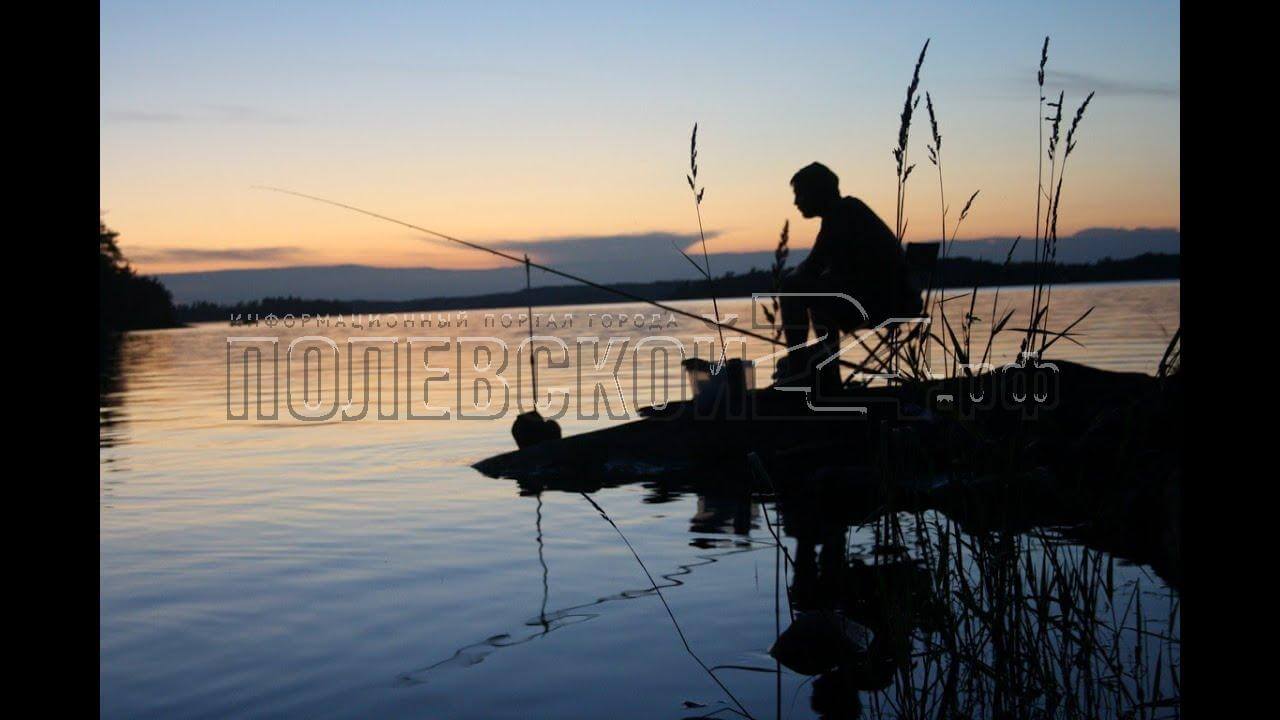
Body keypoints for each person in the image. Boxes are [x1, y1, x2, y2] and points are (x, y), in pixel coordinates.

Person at [774, 162, 923, 386]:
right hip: (893, 299)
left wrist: (786, 280)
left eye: (800, 195)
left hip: (884, 303)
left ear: (817, 192)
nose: (796, 202)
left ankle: (798, 367)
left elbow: (812, 265)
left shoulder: (841, 215)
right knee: (817, 294)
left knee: (792, 288)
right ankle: (828, 370)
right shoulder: (848, 211)